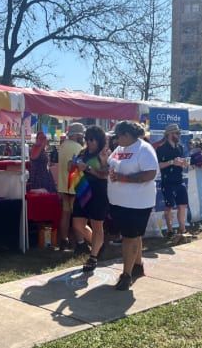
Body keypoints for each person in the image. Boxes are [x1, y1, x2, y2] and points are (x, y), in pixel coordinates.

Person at [107, 121, 159, 291]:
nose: (116, 139)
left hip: (137, 202)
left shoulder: (143, 149)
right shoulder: (120, 149)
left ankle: (126, 275)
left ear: (127, 135)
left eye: (118, 135)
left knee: (129, 237)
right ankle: (137, 266)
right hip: (119, 201)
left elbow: (151, 173)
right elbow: (110, 163)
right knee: (133, 235)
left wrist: (124, 178)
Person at [72, 126, 111, 272]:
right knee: (77, 224)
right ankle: (97, 245)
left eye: (92, 139)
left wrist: (87, 168)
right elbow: (77, 168)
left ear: (99, 140)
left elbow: (105, 174)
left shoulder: (105, 153)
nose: (89, 142)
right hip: (82, 190)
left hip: (98, 192)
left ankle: (93, 256)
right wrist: (73, 165)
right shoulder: (83, 152)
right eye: (86, 139)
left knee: (97, 225)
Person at [156, 123, 190, 241]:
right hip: (168, 182)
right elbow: (158, 165)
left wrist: (184, 163)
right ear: (169, 134)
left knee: (183, 205)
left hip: (179, 180)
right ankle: (170, 230)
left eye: (179, 133)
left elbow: (181, 162)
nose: (179, 135)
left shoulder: (179, 147)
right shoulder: (161, 148)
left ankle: (182, 230)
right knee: (169, 207)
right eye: (177, 133)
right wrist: (171, 162)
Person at [57, 123, 86, 252]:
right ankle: (80, 242)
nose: (82, 136)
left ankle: (64, 241)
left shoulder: (63, 146)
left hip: (64, 185)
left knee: (66, 214)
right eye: (80, 134)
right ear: (76, 134)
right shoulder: (78, 147)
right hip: (75, 185)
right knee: (78, 216)